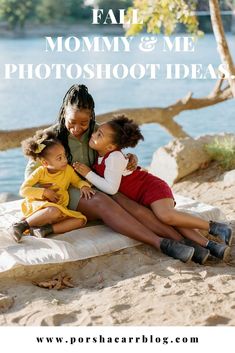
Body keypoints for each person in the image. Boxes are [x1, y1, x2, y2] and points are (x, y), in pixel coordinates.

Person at [22, 84, 201, 264]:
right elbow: (31, 173)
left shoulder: (98, 132)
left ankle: (183, 242)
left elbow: (115, 154)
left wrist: (131, 159)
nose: (77, 128)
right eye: (72, 122)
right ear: (63, 114)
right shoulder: (50, 137)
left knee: (129, 203)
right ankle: (160, 243)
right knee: (102, 201)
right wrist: (45, 189)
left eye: (83, 123)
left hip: (99, 184)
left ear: (91, 116)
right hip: (67, 191)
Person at [73, 115, 232, 262]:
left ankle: (215, 227)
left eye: (99, 134)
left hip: (151, 188)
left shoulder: (114, 157)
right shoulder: (105, 157)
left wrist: (88, 174)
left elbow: (112, 189)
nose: (93, 135)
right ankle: (211, 246)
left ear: (111, 146)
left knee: (166, 216)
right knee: (172, 221)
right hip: (140, 195)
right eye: (96, 133)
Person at [10, 130, 94, 242]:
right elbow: (23, 190)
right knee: (54, 211)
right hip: (41, 207)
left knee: (81, 220)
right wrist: (44, 192)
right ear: (45, 163)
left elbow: (77, 181)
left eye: (64, 155)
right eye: (59, 158)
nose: (64, 160)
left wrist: (83, 186)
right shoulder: (40, 172)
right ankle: (22, 225)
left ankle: (45, 230)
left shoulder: (68, 170)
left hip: (60, 208)